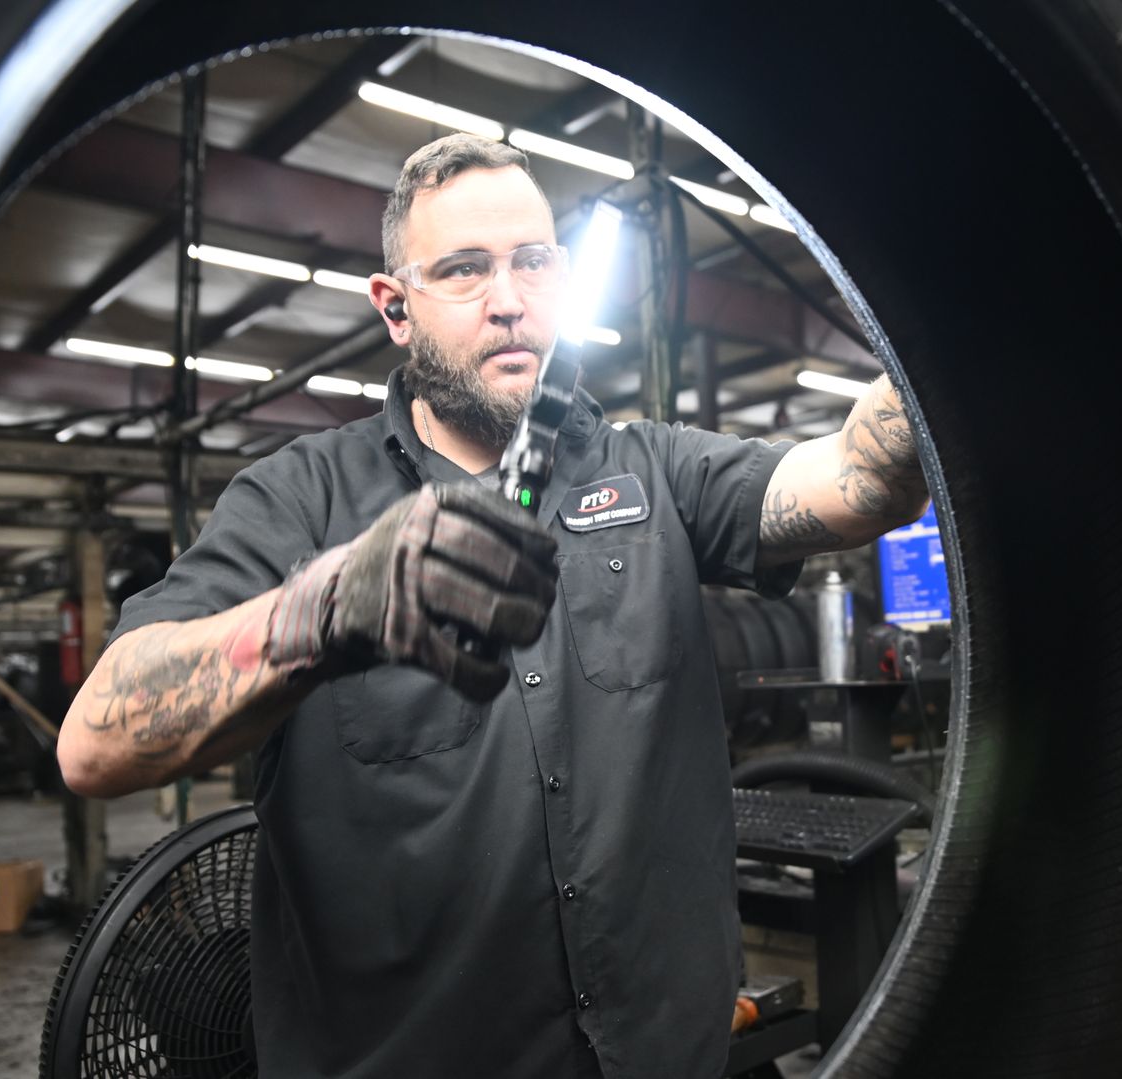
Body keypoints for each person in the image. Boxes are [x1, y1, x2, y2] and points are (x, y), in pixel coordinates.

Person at [57, 132, 928, 1079]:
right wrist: (325, 610)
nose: (509, 299)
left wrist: (946, 333)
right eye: (465, 270)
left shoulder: (652, 471)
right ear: (396, 308)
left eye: (534, 262)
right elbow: (96, 741)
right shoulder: (296, 499)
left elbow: (860, 480)